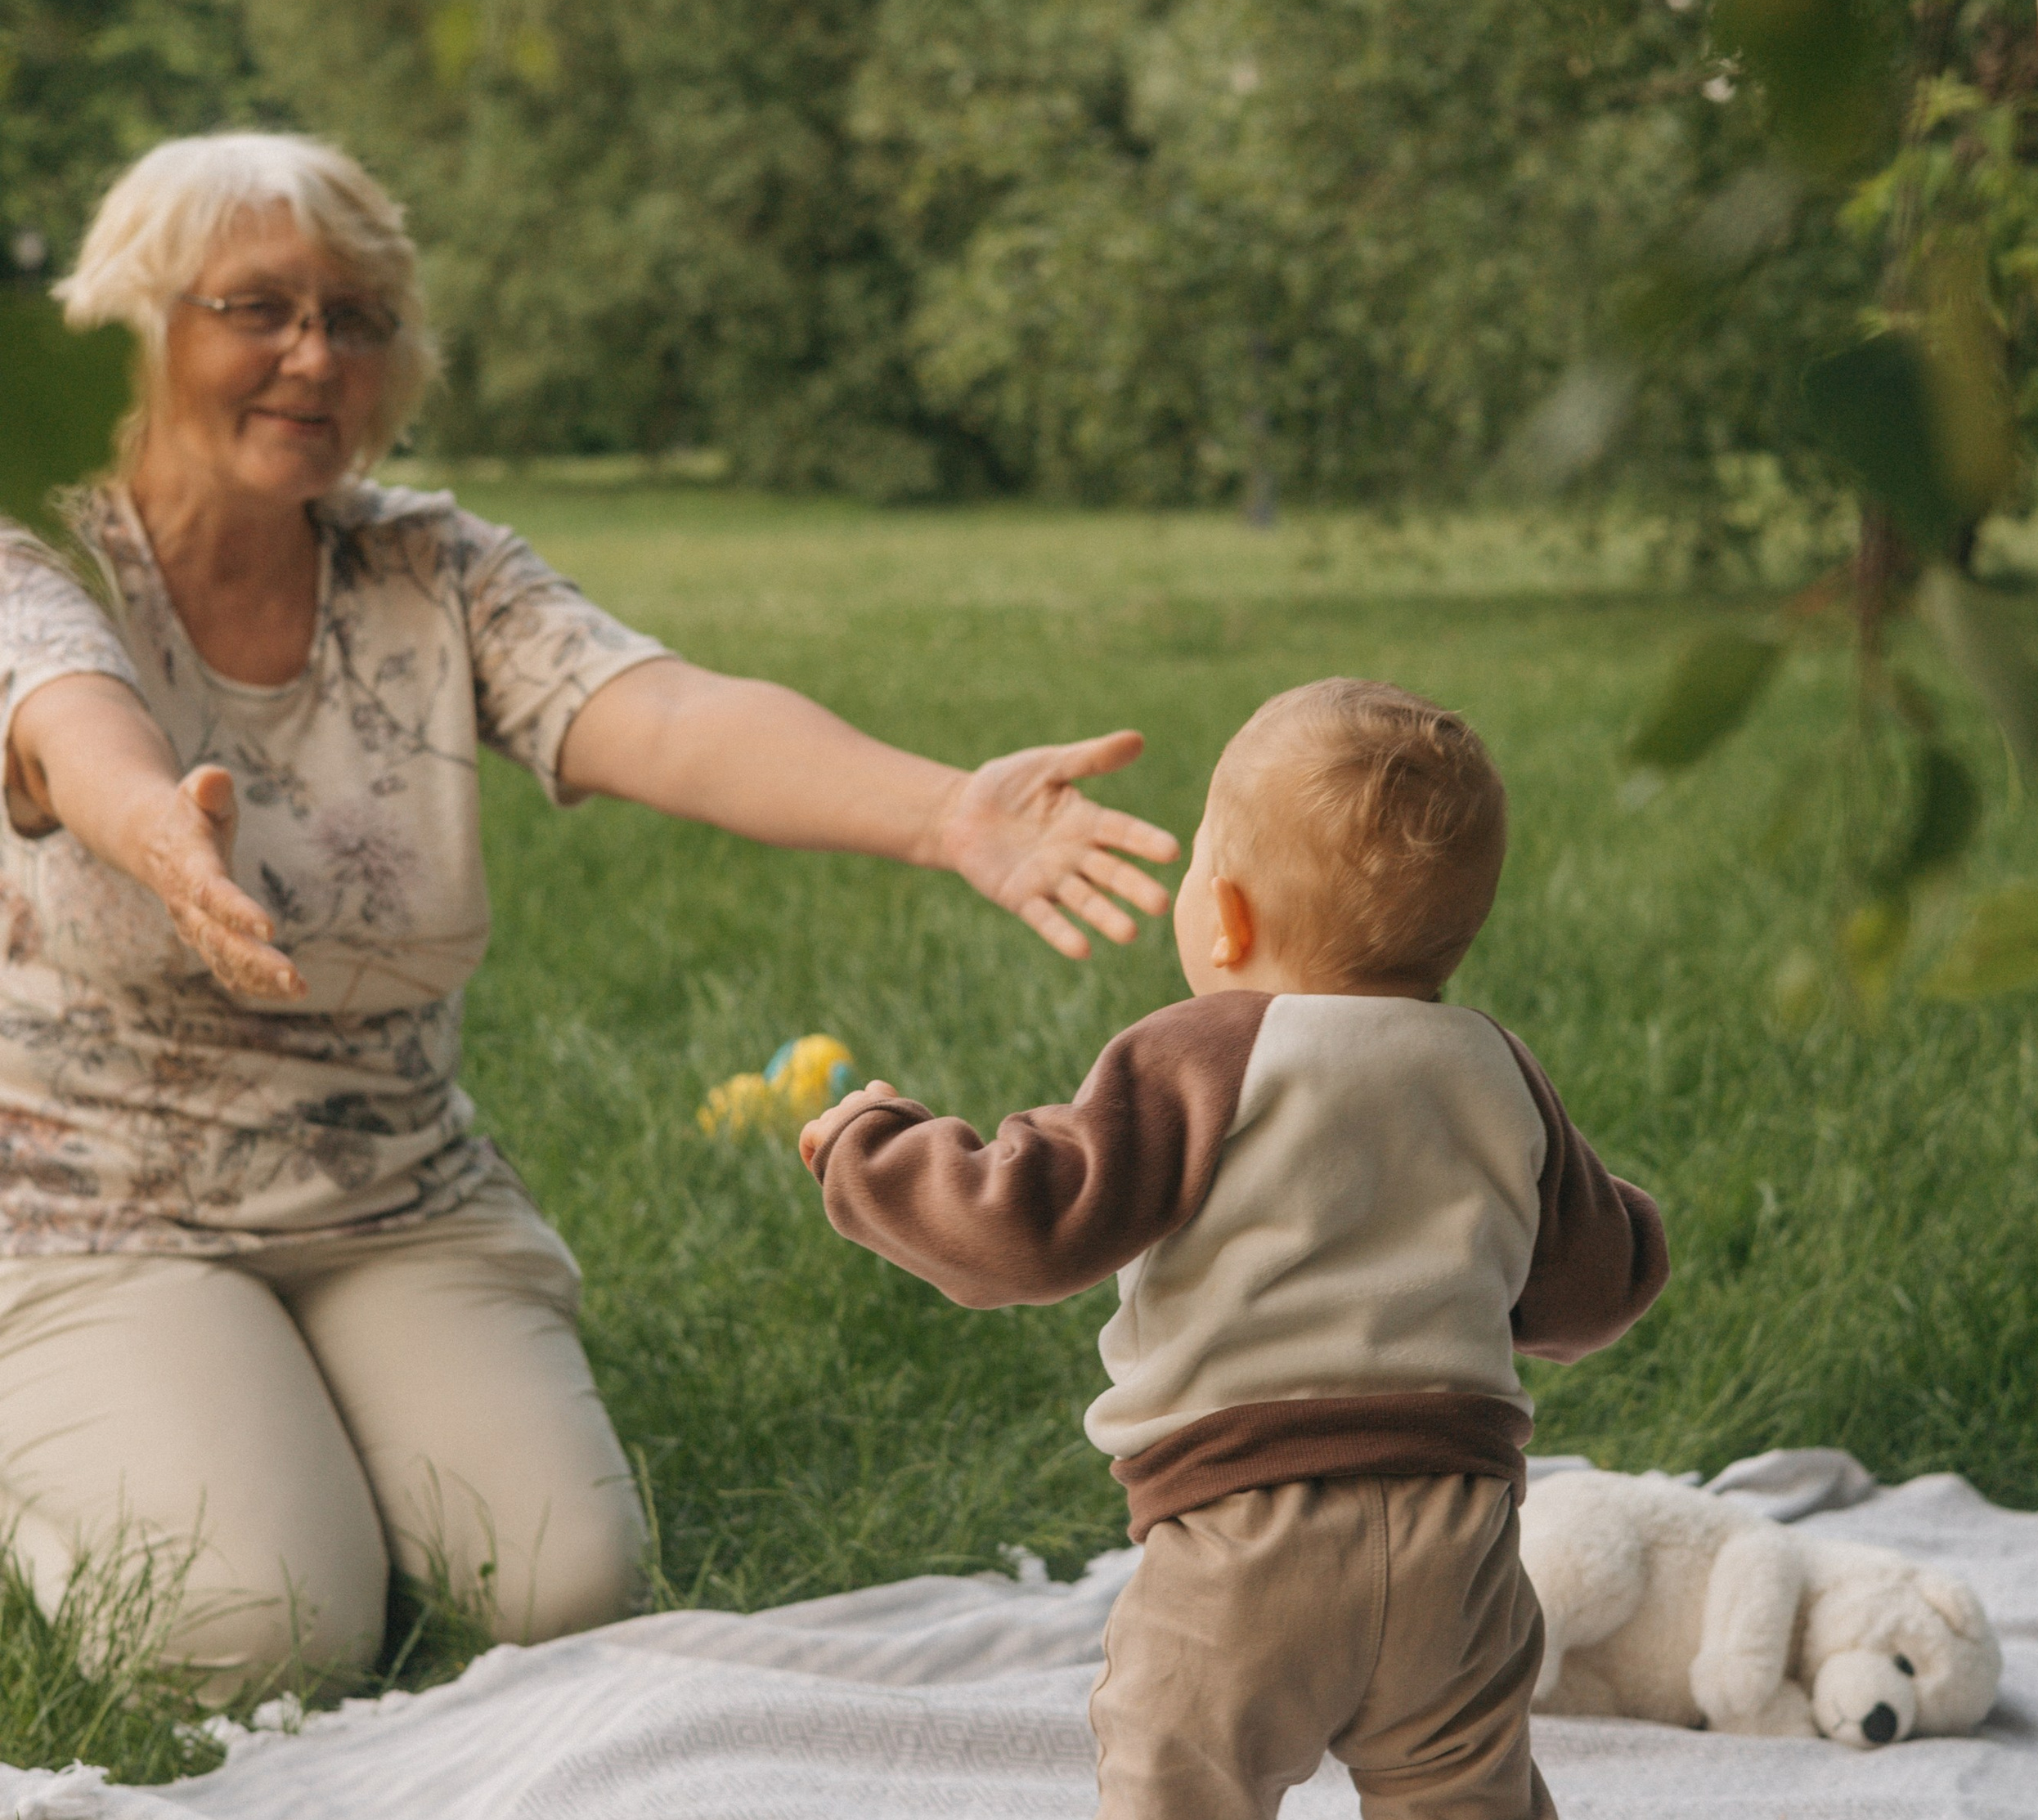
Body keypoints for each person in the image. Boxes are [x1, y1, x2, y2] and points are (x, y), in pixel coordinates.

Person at [0, 131, 1177, 1698]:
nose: (315, 355)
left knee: (557, 1585)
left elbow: (672, 715)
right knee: (252, 1635)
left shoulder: (432, 569)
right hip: (90, 1215)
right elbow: (63, 707)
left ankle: (294, 1408)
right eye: (257, 307)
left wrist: (947, 811)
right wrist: (154, 825)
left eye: (358, 318)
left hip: (394, 1188)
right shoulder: (43, 540)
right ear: (138, 324)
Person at [801, 677, 1667, 1820]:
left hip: (1241, 1544)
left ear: (1230, 916)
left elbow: (1020, 1225)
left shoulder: (1200, 1053)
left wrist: (871, 1151)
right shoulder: (1497, 1071)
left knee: (1181, 1799)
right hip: (1463, 1537)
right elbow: (1595, 1286)